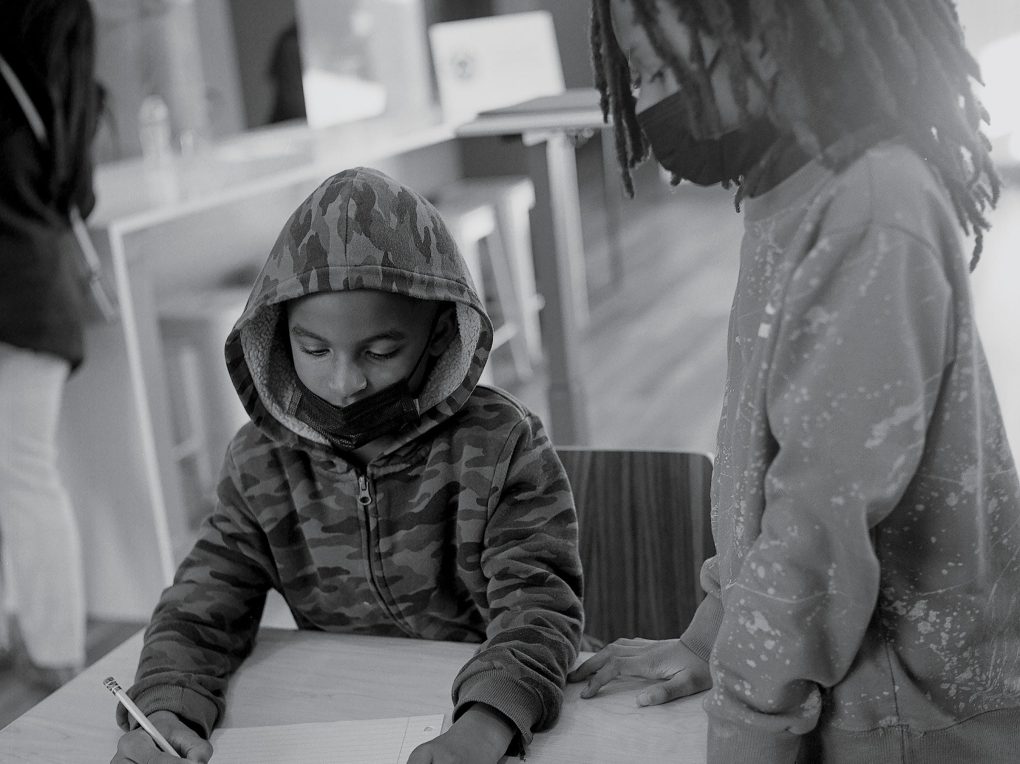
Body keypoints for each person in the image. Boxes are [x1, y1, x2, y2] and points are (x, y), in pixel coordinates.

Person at [570, 1, 1020, 761]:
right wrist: (712, 634)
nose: (644, 104)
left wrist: (747, 725)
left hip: (907, 723)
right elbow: (766, 479)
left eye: (656, 70)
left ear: (768, 33)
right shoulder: (787, 193)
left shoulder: (871, 208)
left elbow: (816, 533)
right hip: (837, 698)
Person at [111, 166, 584, 763]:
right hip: (341, 712)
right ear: (277, 338)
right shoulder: (261, 462)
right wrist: (165, 709)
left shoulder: (501, 446)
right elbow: (202, 603)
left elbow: (539, 604)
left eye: (381, 352)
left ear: (440, 335)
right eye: (313, 350)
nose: (344, 383)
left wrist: (487, 726)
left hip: (500, 722)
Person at [0, 0, 102, 690]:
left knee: (21, 474)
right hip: (40, 295)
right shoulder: (69, 84)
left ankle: (52, 653)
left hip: (12, 294)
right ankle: (53, 650)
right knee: (27, 472)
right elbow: (78, 196)